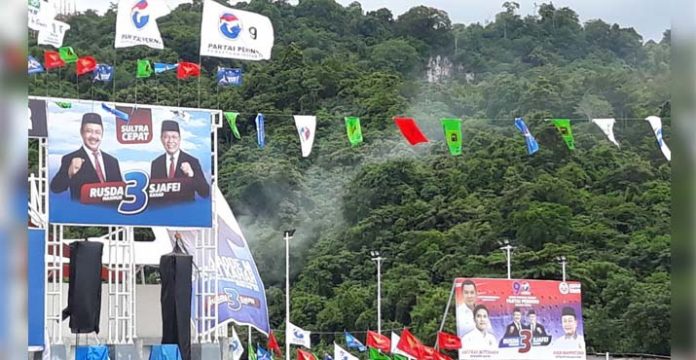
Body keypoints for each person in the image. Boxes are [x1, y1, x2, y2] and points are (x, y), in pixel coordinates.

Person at [50, 113, 122, 200]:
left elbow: (120, 192)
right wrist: (69, 173)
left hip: (110, 213)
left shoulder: (112, 161)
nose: (93, 136)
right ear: (81, 132)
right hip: (81, 212)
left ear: (102, 134)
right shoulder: (70, 159)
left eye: (98, 132)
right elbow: (55, 188)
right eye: (89, 131)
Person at [150, 120, 210, 200]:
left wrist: (192, 175)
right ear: (161, 139)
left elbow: (205, 193)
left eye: (174, 137)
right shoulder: (156, 163)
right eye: (166, 137)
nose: (170, 141)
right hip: (163, 211)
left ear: (179, 139)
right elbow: (154, 194)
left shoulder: (192, 161)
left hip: (186, 211)